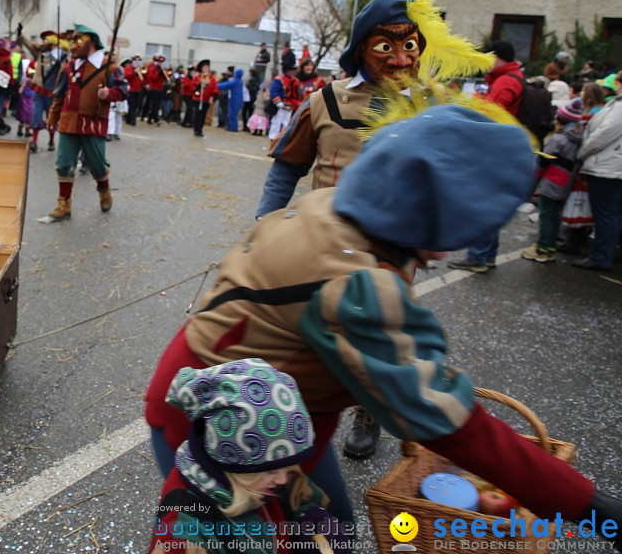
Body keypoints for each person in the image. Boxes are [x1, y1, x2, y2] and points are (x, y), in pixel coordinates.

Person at [146, 105, 622, 541]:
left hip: (279, 417)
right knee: (273, 542)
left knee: (334, 530)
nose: (455, 245)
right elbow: (444, 421)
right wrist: (592, 508)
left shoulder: (332, 206)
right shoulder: (355, 282)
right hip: (232, 431)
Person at [253, 0, 493, 459]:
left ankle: (369, 412)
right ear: (363, 47)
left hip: (392, 251)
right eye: (387, 47)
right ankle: (298, 411)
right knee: (307, 329)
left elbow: (454, 175)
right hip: (318, 240)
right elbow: (287, 167)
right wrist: (265, 225)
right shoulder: (323, 100)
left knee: (381, 338)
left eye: (411, 47)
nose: (402, 58)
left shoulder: (432, 104)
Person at [150, 359, 349, 554]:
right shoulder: (184, 537)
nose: (282, 479)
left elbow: (294, 490)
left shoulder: (261, 470)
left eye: (287, 467)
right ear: (230, 459)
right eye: (272, 471)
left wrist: (308, 515)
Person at [449, 40, 526, 273]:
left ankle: (477, 257)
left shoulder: (505, 81)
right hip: (503, 149)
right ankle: (487, 255)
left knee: (483, 204)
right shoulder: (512, 77)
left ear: (496, 57)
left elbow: (490, 117)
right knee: (491, 202)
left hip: (495, 149)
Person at [44, 24, 127, 221]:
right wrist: (53, 116)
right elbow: (60, 94)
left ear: (90, 42)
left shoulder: (109, 67)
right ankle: (63, 204)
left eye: (77, 41)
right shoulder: (70, 66)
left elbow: (123, 91)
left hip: (93, 124)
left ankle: (104, 190)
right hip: (69, 122)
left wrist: (109, 94)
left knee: (97, 166)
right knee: (63, 164)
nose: (72, 45)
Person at [522, 99, 585, 263]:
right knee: (555, 214)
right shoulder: (578, 138)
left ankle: (542, 248)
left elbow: (544, 159)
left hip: (552, 180)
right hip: (566, 181)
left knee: (546, 214)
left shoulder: (559, 139)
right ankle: (549, 246)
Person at [572, 91, 622, 271]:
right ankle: (607, 252)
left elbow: (604, 134)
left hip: (607, 167)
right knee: (614, 214)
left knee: (607, 215)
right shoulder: (615, 104)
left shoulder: (619, 107)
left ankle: (601, 257)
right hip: (613, 166)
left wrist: (582, 152)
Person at [266, 63, 301, 140]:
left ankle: (283, 138)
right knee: (276, 122)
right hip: (280, 105)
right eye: (291, 70)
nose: (293, 72)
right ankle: (273, 138)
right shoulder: (279, 79)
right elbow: (274, 91)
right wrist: (278, 102)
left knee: (286, 123)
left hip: (289, 105)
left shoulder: (294, 80)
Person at [191, 61, 219, 138]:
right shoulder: (198, 77)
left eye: (207, 67)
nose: (206, 69)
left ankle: (200, 129)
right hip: (198, 99)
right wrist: (200, 86)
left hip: (206, 100)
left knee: (203, 115)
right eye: (204, 67)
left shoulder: (211, 78)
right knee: (198, 115)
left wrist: (213, 96)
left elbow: (215, 88)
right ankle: (197, 130)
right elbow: (193, 88)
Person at [216, 68, 245, 132]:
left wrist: (214, 85)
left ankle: (233, 128)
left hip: (235, 100)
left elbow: (225, 85)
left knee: (232, 115)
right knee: (230, 114)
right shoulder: (239, 81)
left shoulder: (236, 81)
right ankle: (230, 126)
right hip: (234, 99)